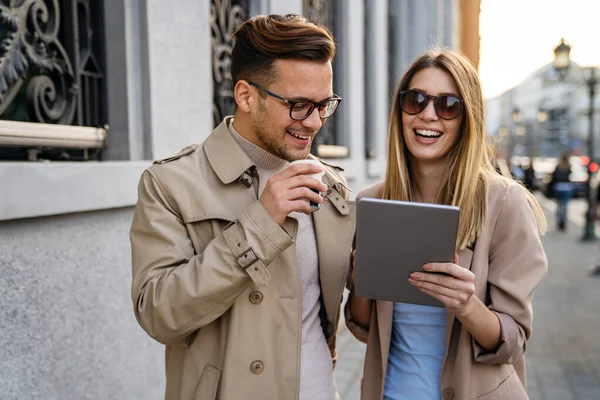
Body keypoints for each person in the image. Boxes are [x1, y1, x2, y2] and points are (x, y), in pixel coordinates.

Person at [130, 14, 355, 400]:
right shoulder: (171, 184)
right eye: (299, 105)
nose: (315, 122)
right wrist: (260, 223)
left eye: (324, 104)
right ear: (247, 96)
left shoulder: (331, 184)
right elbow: (157, 313)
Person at [345, 49, 548, 400]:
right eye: (416, 100)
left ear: (467, 119)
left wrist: (466, 305)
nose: (428, 115)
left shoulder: (504, 203)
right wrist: (362, 279)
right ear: (400, 110)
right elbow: (363, 328)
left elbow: (512, 342)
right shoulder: (370, 203)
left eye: (448, 105)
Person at [549, 153, 573, 231]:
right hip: (566, 188)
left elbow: (553, 177)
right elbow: (570, 176)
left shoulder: (558, 166)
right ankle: (563, 222)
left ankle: (559, 222)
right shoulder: (569, 166)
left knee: (558, 206)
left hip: (558, 187)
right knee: (565, 206)